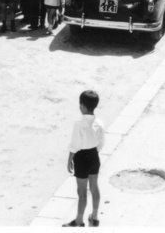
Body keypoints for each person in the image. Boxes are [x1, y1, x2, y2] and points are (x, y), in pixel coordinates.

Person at [63, 90, 105, 227]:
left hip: (81, 158)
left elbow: (74, 145)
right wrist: (94, 152)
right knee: (94, 186)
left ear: (82, 106)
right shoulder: (99, 123)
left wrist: (69, 160)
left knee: (82, 192)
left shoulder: (79, 124)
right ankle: (94, 216)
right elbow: (101, 143)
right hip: (94, 156)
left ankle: (79, 221)